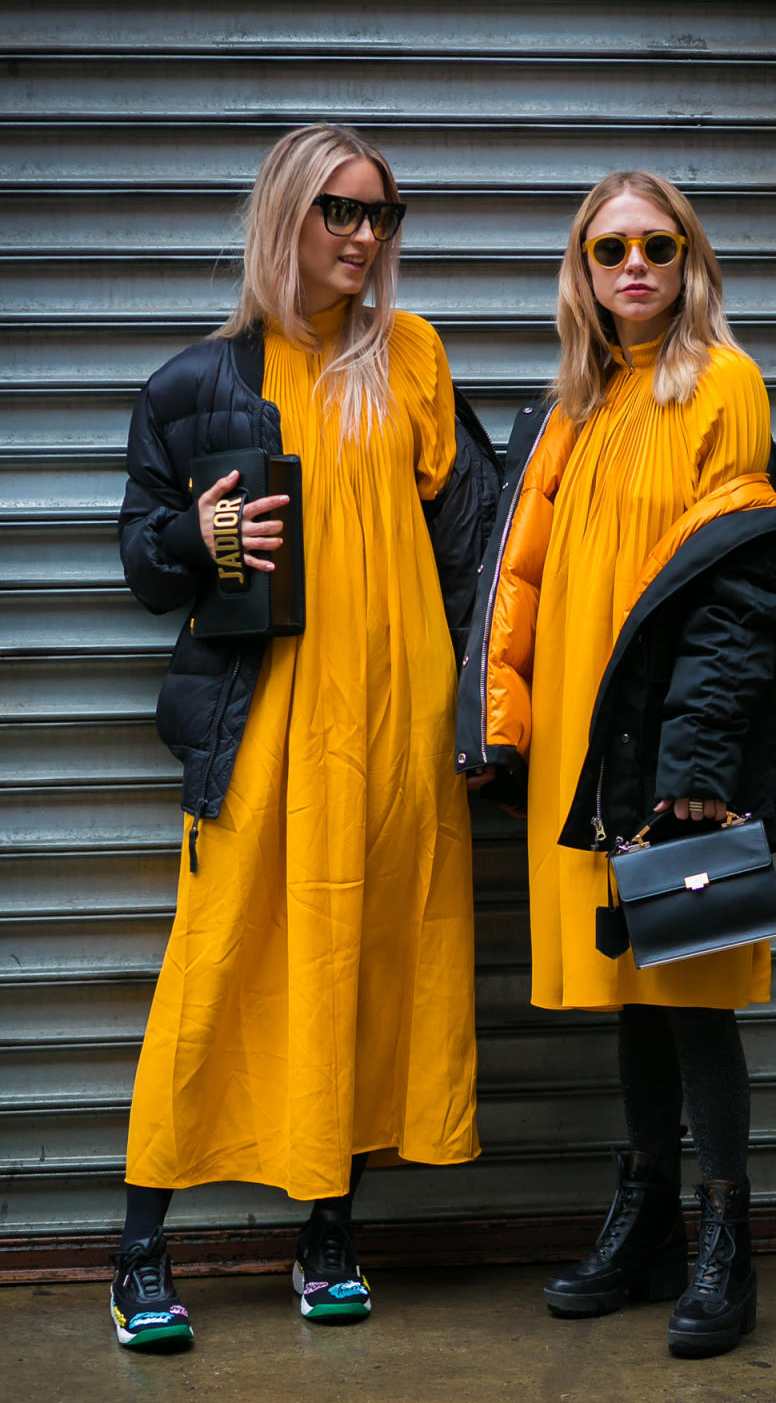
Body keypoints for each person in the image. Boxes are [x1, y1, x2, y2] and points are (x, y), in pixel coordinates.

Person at [113, 122, 500, 1350]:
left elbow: (478, 541)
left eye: (381, 214)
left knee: (368, 971)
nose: (364, 236)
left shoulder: (416, 358)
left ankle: (328, 1232)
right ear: (287, 216)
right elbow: (141, 561)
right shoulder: (199, 382)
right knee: (214, 974)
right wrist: (197, 540)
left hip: (393, 734)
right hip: (265, 727)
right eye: (340, 210)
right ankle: (139, 1252)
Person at [456, 171, 776, 1359]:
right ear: (582, 272)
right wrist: (502, 729)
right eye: (609, 248)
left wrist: (698, 757)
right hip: (592, 754)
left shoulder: (719, 384)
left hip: (681, 753)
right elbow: (518, 584)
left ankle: (726, 1239)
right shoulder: (578, 406)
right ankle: (646, 1229)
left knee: (696, 995)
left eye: (658, 245)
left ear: (690, 263)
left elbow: (740, 590)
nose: (635, 265)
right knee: (630, 989)